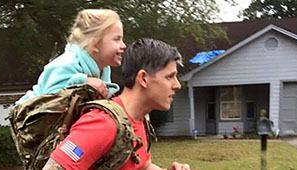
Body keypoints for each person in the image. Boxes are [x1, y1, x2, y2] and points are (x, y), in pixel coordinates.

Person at [42, 38, 190, 170]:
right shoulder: (102, 124)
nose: (177, 85)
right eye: (169, 77)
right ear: (143, 78)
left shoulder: (139, 119)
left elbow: (143, 166)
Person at [16, 9, 126, 104]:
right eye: (117, 39)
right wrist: (82, 82)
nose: (123, 45)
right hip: (29, 121)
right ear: (95, 44)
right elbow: (50, 99)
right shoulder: (66, 64)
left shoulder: (104, 69)